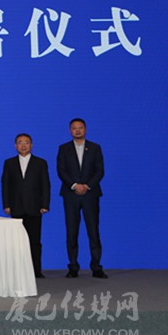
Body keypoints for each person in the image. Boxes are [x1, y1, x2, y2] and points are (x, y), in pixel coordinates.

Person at [57, 118, 106, 279]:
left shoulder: (95, 148)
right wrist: (74, 185)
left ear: (85, 129)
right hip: (70, 195)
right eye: (74, 128)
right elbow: (61, 170)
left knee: (93, 230)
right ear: (70, 130)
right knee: (71, 231)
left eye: (80, 128)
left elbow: (100, 171)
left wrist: (86, 186)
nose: (77, 130)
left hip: (90, 194)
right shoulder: (63, 148)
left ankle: (96, 267)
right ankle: (73, 267)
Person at [1, 133, 50, 279]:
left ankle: (36, 271)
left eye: (26, 142)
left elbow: (45, 185)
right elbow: (5, 185)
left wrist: (45, 204)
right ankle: (18, 271)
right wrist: (6, 204)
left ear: (31, 145)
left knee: (35, 241)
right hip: (16, 207)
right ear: (15, 146)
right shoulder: (9, 163)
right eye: (20, 142)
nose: (23, 145)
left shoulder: (40, 163)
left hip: (35, 207)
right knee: (17, 242)